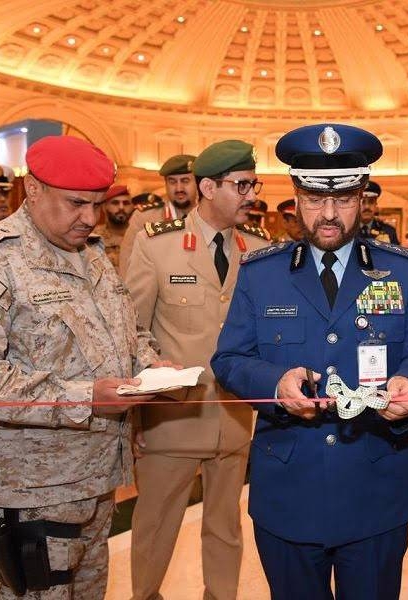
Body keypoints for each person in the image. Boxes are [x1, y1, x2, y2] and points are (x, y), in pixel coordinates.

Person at [211, 123, 408, 600]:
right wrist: (275, 382)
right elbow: (230, 358)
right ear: (296, 198)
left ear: (363, 198)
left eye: (344, 198)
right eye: (316, 199)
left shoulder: (401, 270)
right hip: (288, 493)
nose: (330, 214)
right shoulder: (262, 275)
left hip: (375, 488)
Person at [0, 135, 163, 599]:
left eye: (96, 204)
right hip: (30, 486)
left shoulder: (91, 255)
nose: (90, 218)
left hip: (95, 473)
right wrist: (86, 396)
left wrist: (151, 365)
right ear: (32, 189)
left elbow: (126, 331)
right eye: (76, 203)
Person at [126, 140, 269, 600]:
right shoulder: (159, 246)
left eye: (253, 184)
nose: (251, 195)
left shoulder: (260, 251)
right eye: (241, 185)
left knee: (226, 526)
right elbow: (130, 329)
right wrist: (145, 386)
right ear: (208, 187)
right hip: (173, 418)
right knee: (155, 526)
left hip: (233, 418)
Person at [119, 154, 199, 276]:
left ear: (198, 183)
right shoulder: (144, 218)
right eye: (172, 182)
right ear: (166, 184)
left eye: (185, 181)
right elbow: (127, 261)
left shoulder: (209, 217)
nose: (179, 188)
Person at [92, 184, 133, 270]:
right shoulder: (92, 237)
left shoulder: (140, 236)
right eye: (115, 203)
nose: (121, 207)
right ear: (104, 207)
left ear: (133, 207)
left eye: (126, 203)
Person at [358, 180, 399, 244]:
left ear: (375, 205)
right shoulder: (347, 231)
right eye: (363, 202)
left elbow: (395, 253)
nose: (367, 207)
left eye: (371, 202)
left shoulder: (389, 231)